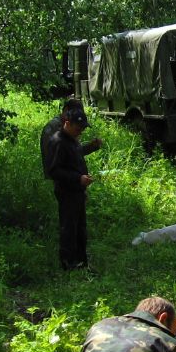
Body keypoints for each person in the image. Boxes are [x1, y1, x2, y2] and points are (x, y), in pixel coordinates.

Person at [47, 104, 101, 270]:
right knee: (69, 228)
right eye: (78, 128)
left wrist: (92, 147)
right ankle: (68, 263)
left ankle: (81, 260)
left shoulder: (72, 139)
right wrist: (78, 178)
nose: (81, 132)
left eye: (83, 128)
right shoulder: (58, 141)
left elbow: (76, 153)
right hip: (67, 191)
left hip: (77, 191)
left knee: (80, 227)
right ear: (67, 123)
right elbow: (54, 170)